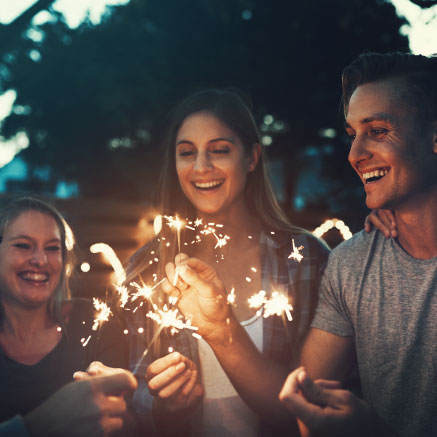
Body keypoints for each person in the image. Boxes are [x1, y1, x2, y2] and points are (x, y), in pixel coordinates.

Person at [126, 89, 330, 436]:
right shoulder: (147, 267)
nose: (201, 167)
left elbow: (317, 408)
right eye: (187, 153)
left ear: (252, 158)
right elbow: (135, 401)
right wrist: (163, 409)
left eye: (219, 150)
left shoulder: (306, 259)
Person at [279, 52, 437, 437]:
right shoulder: (351, 264)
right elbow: (305, 404)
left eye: (378, 130)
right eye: (352, 134)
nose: (355, 154)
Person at [0, 195, 135, 436]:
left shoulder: (95, 323)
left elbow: (132, 424)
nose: (40, 260)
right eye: (22, 245)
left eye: (53, 248)